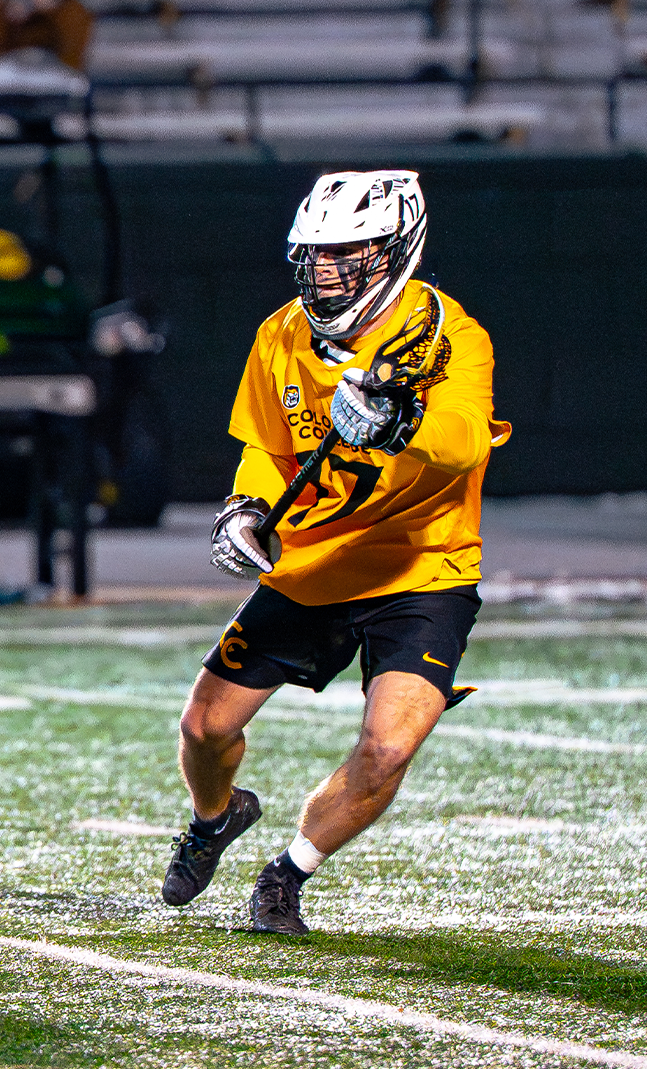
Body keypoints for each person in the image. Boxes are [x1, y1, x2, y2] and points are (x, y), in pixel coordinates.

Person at [161, 170, 511, 934]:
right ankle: (215, 818)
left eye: (347, 252)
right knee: (203, 729)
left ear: (395, 249)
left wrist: (395, 423)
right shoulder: (280, 333)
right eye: (315, 253)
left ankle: (286, 876)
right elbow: (264, 445)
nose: (324, 269)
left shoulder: (452, 337)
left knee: (388, 747)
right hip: (314, 564)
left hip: (425, 568)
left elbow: (461, 444)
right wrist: (247, 508)